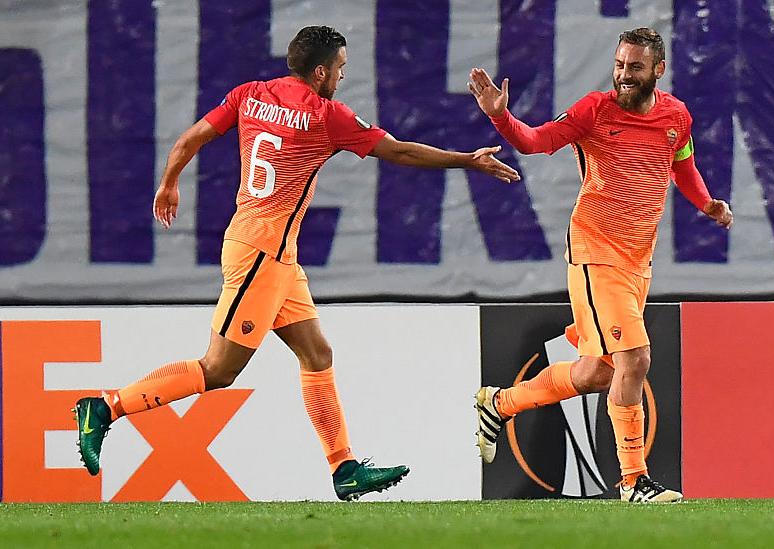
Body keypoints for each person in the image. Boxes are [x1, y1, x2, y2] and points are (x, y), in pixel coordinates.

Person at [74, 25, 520, 502]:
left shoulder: (250, 94)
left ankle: (344, 468)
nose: (342, 78)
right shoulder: (327, 115)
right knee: (219, 369)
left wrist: (169, 182)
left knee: (317, 354)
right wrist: (468, 161)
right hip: (261, 255)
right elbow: (401, 151)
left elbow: (191, 138)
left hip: (271, 252)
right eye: (341, 69)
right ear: (322, 70)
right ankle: (105, 407)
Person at [468, 27, 732, 503]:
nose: (623, 74)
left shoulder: (677, 116)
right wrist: (501, 117)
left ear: (658, 70)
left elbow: (681, 165)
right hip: (596, 251)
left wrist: (707, 203)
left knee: (597, 373)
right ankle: (634, 482)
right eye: (619, 64)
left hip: (638, 261)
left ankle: (499, 403)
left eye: (634, 66)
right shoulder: (594, 110)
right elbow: (534, 142)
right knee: (636, 359)